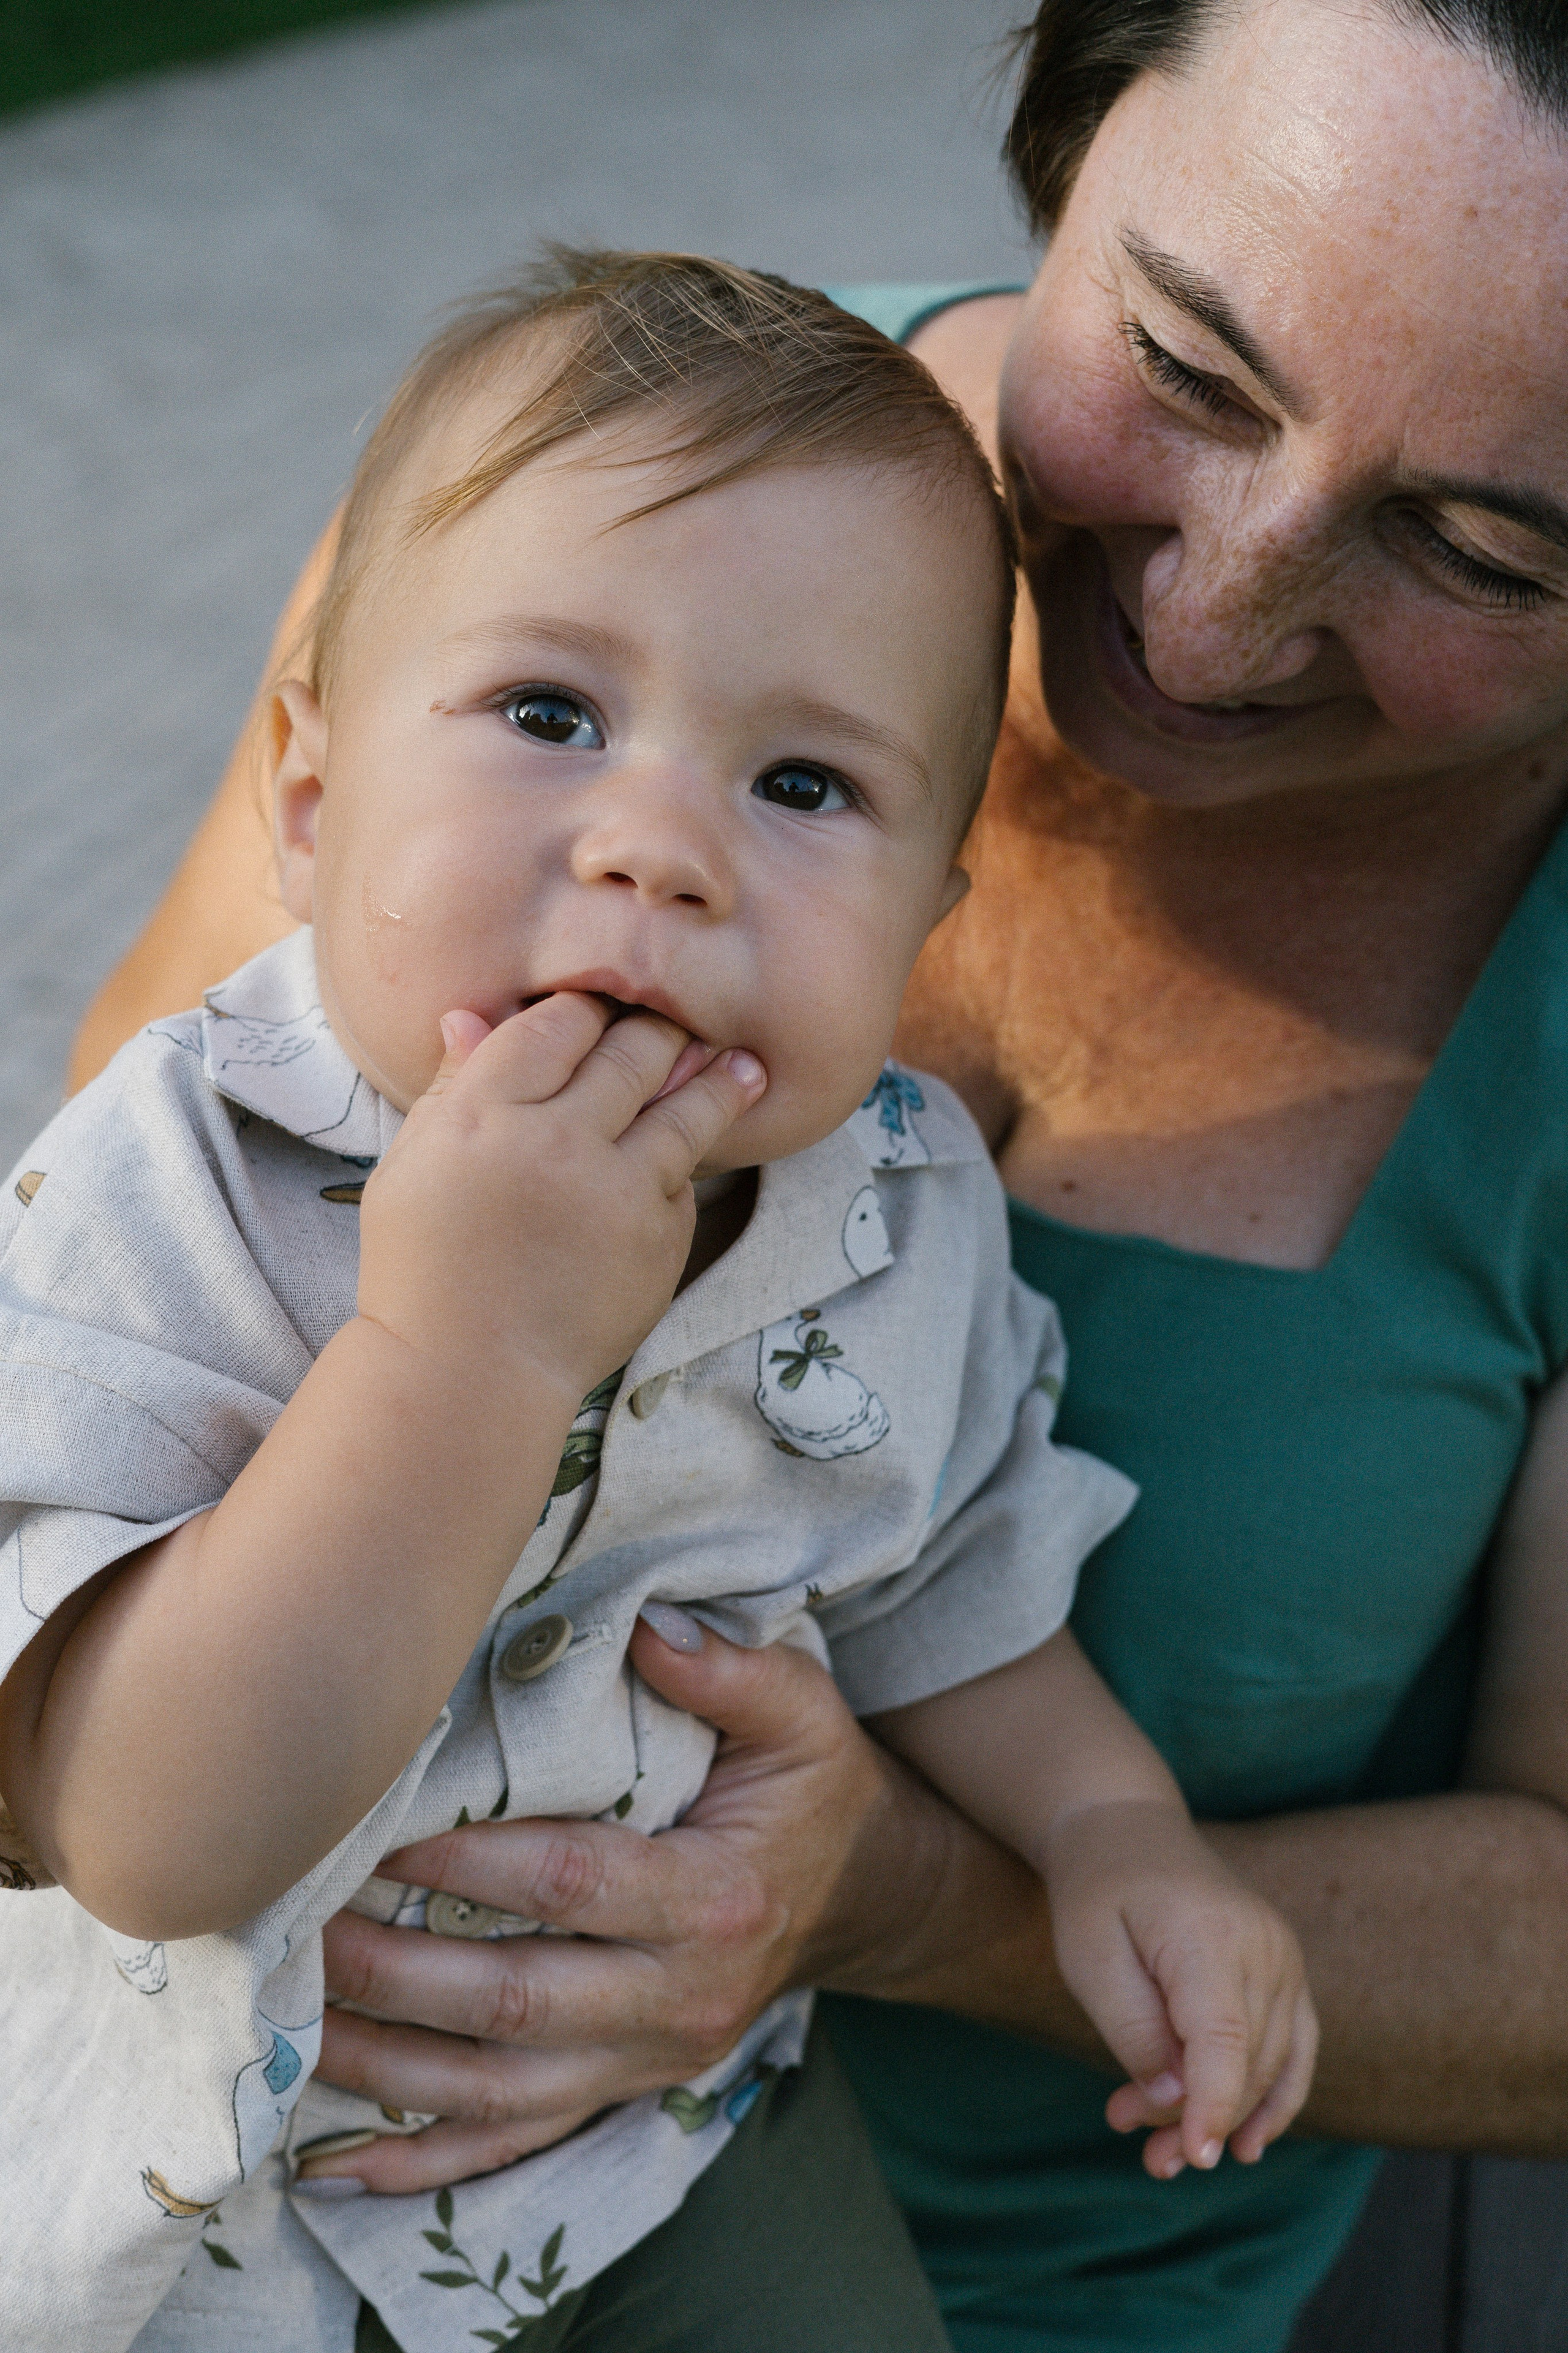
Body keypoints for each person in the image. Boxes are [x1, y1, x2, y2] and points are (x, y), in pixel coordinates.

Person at [59, 1, 1568, 2347]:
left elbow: (966, 1561)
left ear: (936, 884)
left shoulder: (886, 1210)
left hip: (805, 2213)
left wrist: (1033, 1864)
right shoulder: (563, 489)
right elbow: (133, 1798)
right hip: (209, 2205)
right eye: (1185, 363)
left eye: (1480, 548)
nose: (1208, 613)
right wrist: (467, 1350)